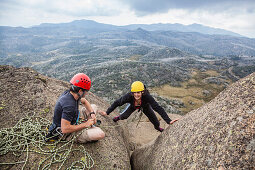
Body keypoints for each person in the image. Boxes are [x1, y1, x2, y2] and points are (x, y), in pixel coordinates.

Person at [46, 73, 105, 143]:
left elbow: (84, 101)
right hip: (65, 133)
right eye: (86, 91)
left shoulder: (71, 94)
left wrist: (92, 113)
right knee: (100, 134)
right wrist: (85, 125)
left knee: (93, 107)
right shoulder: (70, 106)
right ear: (80, 91)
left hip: (72, 119)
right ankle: (90, 127)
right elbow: (65, 129)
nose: (87, 93)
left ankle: (91, 125)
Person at [100, 81, 179, 132]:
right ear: (132, 92)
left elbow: (157, 107)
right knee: (124, 116)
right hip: (133, 105)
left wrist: (168, 121)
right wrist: (107, 112)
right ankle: (118, 118)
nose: (136, 95)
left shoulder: (147, 96)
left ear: (142, 92)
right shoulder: (129, 96)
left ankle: (157, 128)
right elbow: (117, 102)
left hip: (145, 106)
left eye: (138, 92)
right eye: (135, 93)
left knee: (155, 120)